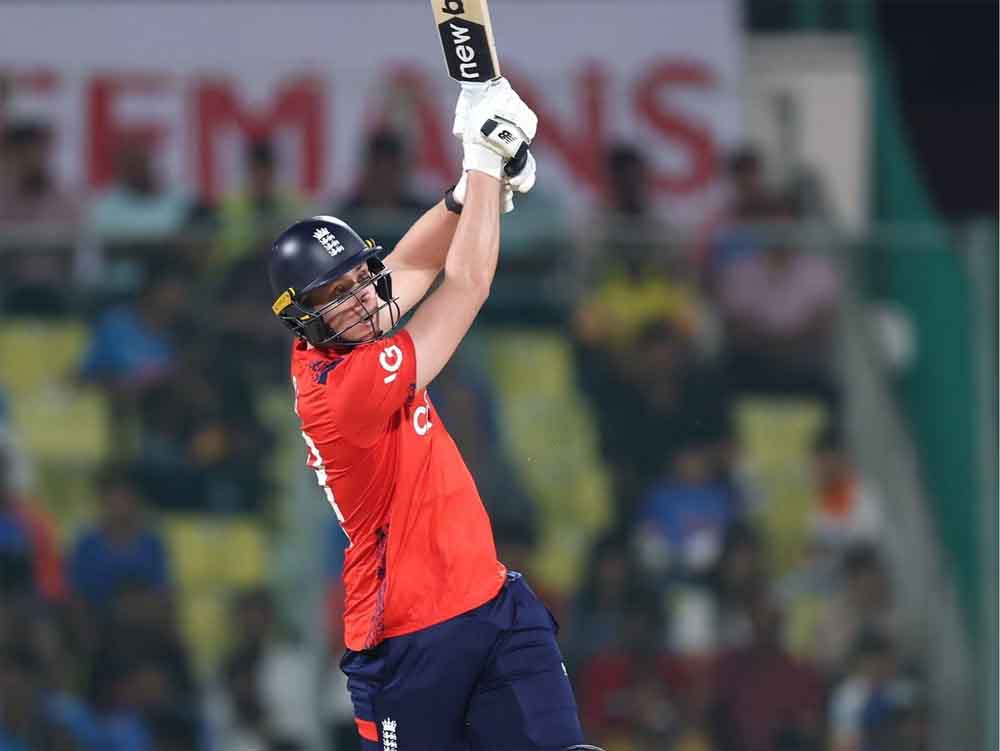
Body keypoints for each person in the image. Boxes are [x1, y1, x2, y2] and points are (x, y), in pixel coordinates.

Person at [267, 79, 601, 751]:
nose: (363, 299)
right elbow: (467, 283)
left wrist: (472, 193)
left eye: (360, 279)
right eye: (336, 295)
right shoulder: (345, 388)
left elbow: (411, 263)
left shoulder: (352, 324)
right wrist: (483, 162)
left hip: (494, 605)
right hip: (406, 638)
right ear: (304, 317)